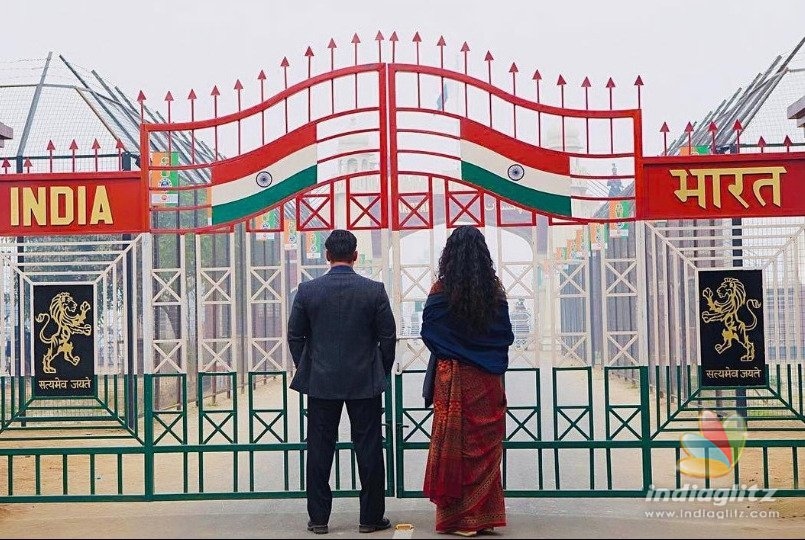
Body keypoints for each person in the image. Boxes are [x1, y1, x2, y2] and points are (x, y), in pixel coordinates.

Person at [287, 229, 397, 535]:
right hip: (364, 382)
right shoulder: (374, 290)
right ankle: (370, 517)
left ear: (327, 256)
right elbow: (388, 336)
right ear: (355, 256)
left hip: (321, 383)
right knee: (369, 447)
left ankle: (319, 519)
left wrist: (308, 366)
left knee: (320, 449)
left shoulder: (307, 291)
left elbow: (295, 335)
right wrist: (380, 369)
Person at [420, 225, 514, 537]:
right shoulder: (495, 291)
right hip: (487, 379)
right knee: (485, 446)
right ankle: (483, 517)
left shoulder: (440, 290)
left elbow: (430, 333)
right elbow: (504, 335)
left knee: (455, 446)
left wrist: (454, 352)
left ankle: (458, 520)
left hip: (454, 378)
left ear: (449, 256)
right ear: (483, 256)